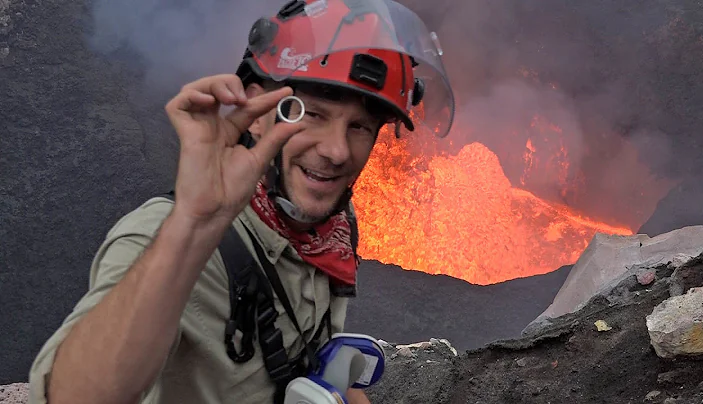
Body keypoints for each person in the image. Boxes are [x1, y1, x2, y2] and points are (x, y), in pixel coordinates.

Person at [27, 0, 454, 403]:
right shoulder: (163, 238)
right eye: (312, 113)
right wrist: (194, 223)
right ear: (255, 104)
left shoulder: (330, 228)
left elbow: (312, 359)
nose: (337, 150)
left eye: (360, 127)